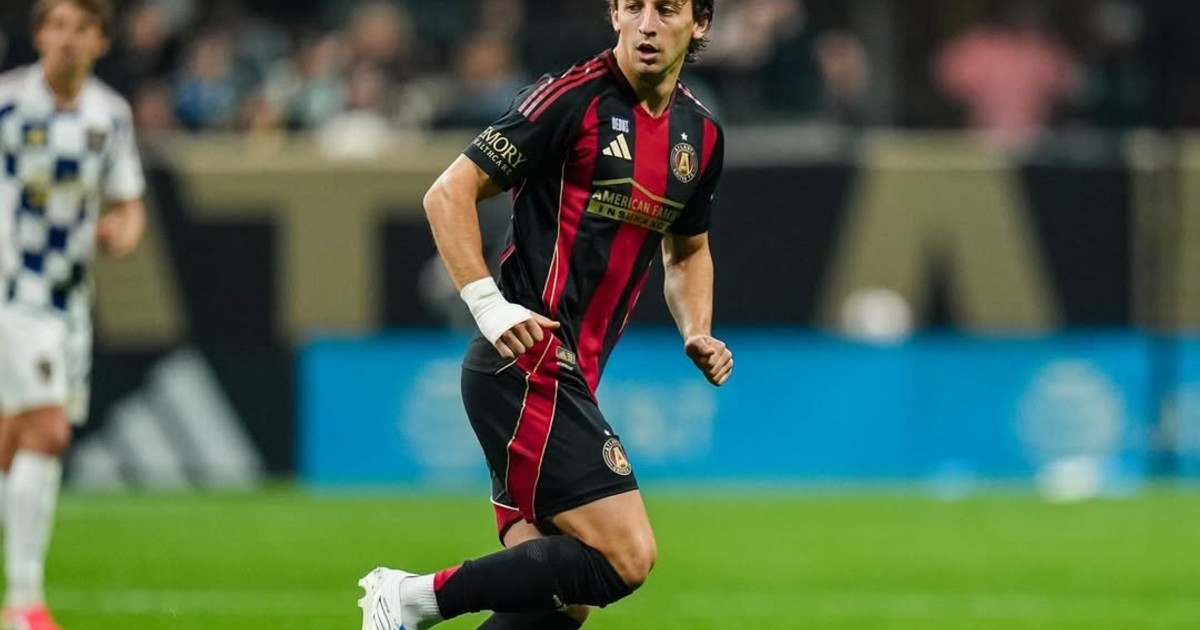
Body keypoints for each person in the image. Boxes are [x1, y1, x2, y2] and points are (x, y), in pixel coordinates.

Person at [358, 1, 732, 629]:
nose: (647, 23)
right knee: (627, 555)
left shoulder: (701, 135)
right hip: (524, 358)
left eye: (667, 9)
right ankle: (412, 597)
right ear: (614, 14)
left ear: (700, 24)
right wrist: (488, 306)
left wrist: (697, 330)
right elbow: (448, 193)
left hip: (571, 376)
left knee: (561, 602)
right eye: (633, 6)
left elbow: (688, 250)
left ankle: (413, 602)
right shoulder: (570, 99)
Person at [0, 1, 146, 628]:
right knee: (50, 431)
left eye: (80, 28)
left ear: (100, 42)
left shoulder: (109, 115)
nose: (65, 39)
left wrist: (121, 233)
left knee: (17, 443)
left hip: (69, 302)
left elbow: (128, 202)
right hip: (11, 292)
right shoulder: (7, 104)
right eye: (55, 26)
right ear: (39, 34)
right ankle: (23, 603)